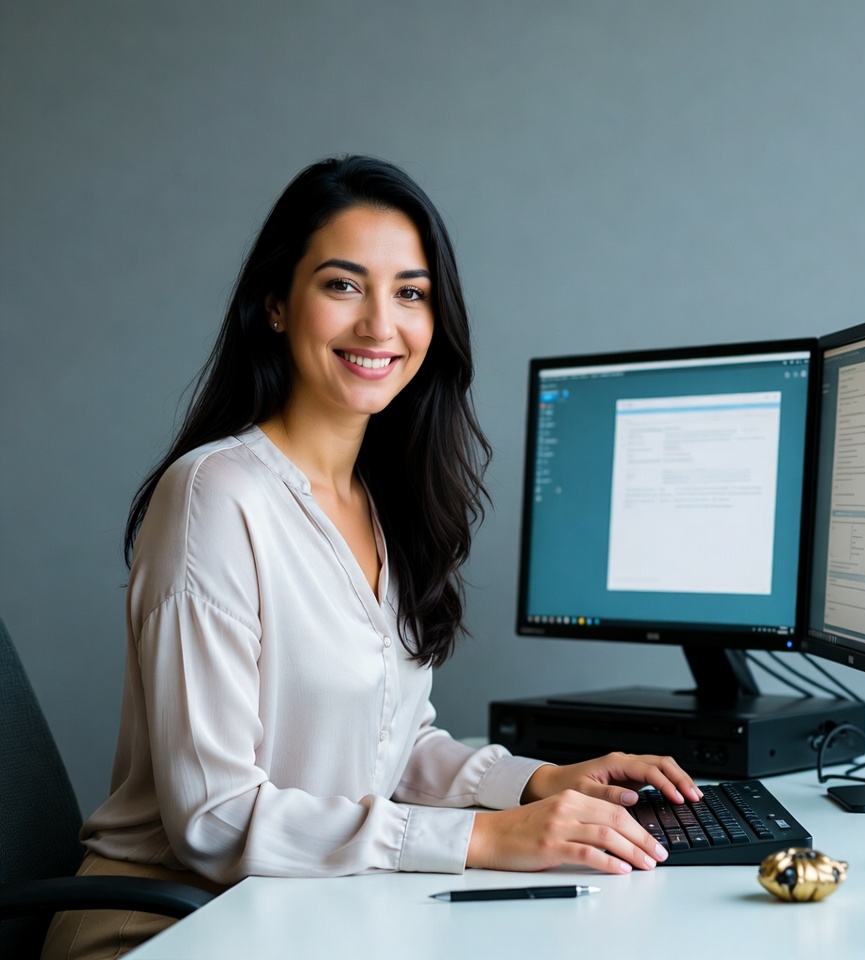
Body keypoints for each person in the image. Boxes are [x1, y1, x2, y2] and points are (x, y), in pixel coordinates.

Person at [41, 155, 702, 959]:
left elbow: (388, 747)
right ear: (275, 304)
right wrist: (483, 839)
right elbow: (215, 818)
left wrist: (535, 783)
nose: (380, 326)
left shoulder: (379, 501)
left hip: (300, 914)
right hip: (162, 927)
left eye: (410, 293)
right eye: (343, 285)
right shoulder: (217, 494)